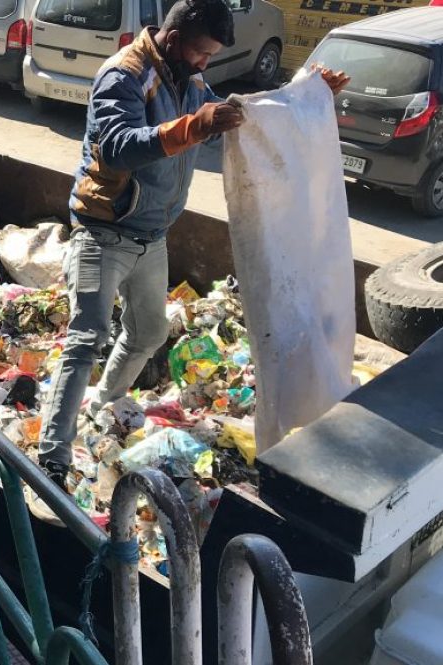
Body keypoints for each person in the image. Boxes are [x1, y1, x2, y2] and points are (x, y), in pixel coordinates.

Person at [37, 0, 350, 485]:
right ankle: (52, 454)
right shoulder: (124, 75)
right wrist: (193, 125)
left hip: (151, 236)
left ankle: (104, 401)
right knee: (88, 336)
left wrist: (308, 97)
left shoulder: (192, 81)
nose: (206, 63)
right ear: (175, 36)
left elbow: (238, 116)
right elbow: (118, 147)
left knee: (148, 334)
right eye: (202, 53)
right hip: (104, 231)